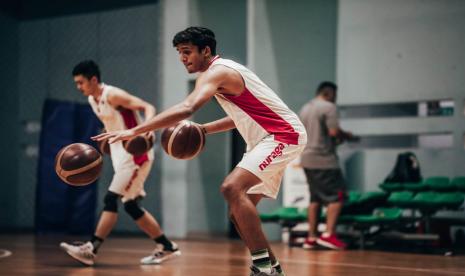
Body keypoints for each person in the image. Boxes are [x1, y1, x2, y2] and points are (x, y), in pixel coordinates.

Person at [93, 27, 307, 276]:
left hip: (283, 135)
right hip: (263, 139)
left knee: (231, 188)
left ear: (206, 51)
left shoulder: (218, 72)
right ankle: (273, 268)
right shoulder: (220, 73)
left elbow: (187, 108)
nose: (183, 58)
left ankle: (262, 268)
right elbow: (238, 117)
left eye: (187, 52)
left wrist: (135, 130)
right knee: (237, 211)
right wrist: (203, 130)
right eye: (179, 54)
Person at [60, 60, 180, 266]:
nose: (79, 87)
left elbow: (146, 106)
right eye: (77, 83)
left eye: (81, 82)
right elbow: (114, 123)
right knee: (131, 205)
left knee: (110, 199)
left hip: (134, 157)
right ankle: (167, 246)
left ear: (94, 80)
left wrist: (148, 129)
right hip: (120, 155)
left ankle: (92, 248)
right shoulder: (92, 99)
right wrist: (108, 140)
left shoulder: (113, 95)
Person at [299, 81, 356, 250]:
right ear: (329, 93)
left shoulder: (305, 108)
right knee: (338, 196)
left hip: (307, 158)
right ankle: (329, 234)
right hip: (324, 160)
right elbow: (333, 132)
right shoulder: (329, 107)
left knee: (315, 198)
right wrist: (348, 136)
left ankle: (311, 237)